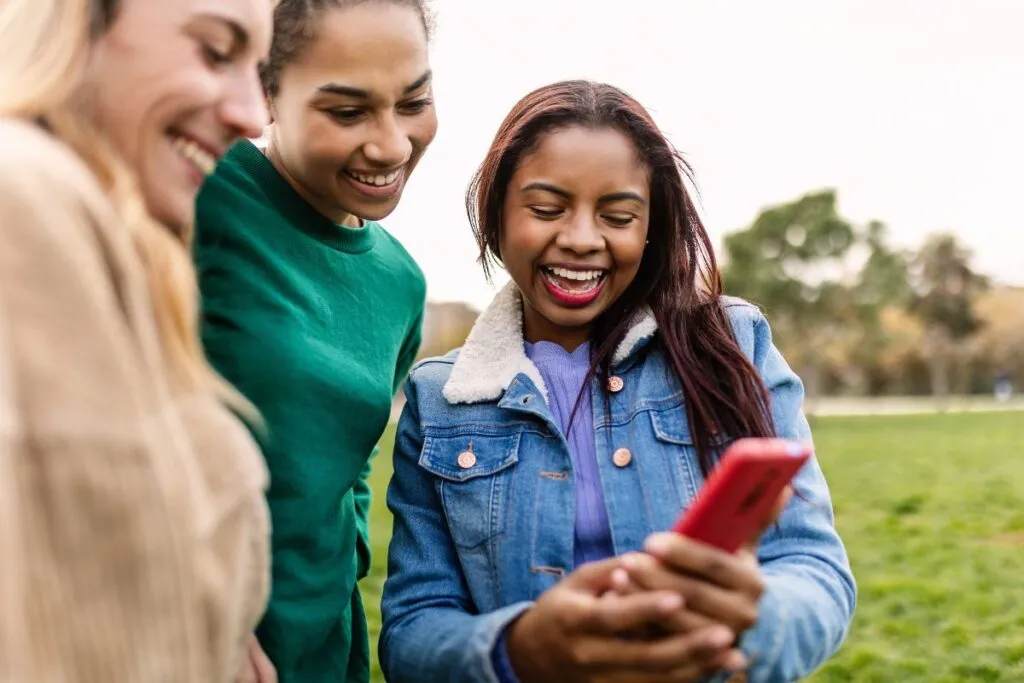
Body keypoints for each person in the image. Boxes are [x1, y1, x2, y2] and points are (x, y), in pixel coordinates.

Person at [380, 80, 857, 683]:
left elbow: (815, 568)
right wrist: (522, 649)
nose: (582, 238)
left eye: (619, 216)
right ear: (496, 215)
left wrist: (744, 625)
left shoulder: (734, 344)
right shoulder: (439, 400)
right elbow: (411, 631)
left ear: (651, 225)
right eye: (547, 208)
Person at [0, 0, 274, 681]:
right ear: (77, 21)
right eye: (215, 51)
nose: (253, 116)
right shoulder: (26, 196)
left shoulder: (114, 240)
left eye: (259, 71)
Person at [193, 1, 437, 681]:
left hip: (321, 647)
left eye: (413, 100)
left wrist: (348, 568)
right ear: (264, 93)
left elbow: (352, 465)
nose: (392, 144)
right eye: (348, 111)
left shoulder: (401, 282)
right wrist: (203, 611)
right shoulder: (199, 195)